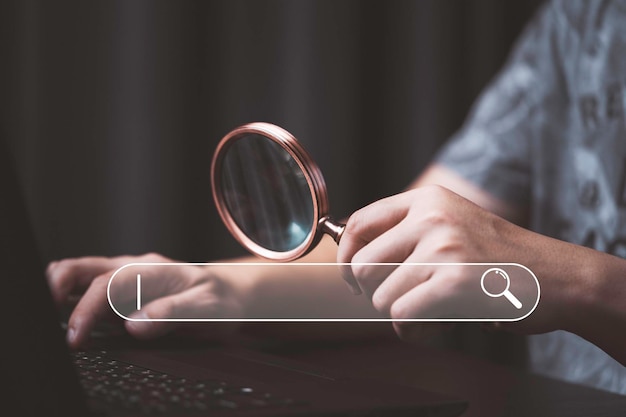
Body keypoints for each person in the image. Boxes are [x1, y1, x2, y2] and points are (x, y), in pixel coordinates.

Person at [47, 0, 626, 394]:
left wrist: (576, 281)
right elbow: (401, 259)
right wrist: (221, 291)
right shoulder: (579, 18)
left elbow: (509, 261)